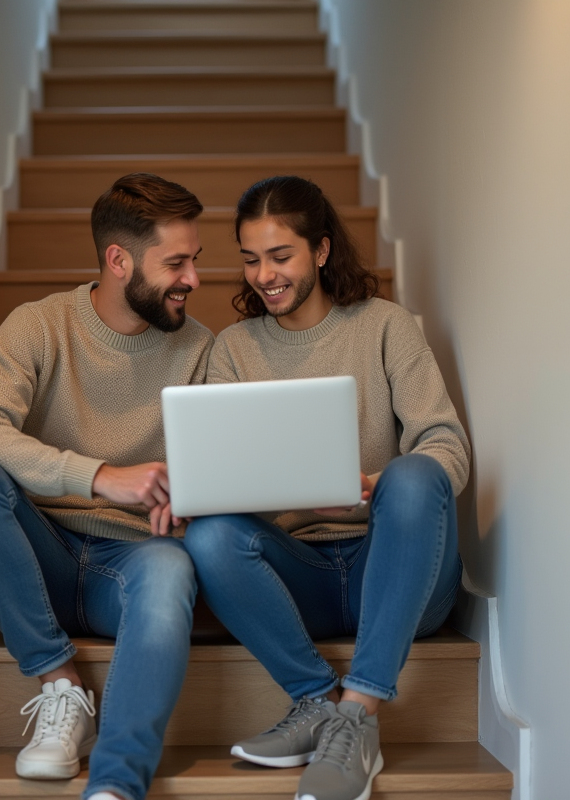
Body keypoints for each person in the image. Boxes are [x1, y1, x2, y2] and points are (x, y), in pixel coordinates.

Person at [182, 176, 470, 800]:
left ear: (320, 249)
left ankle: (357, 716)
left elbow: (448, 448)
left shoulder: (386, 326)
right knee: (208, 536)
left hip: (395, 572)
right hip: (299, 576)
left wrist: (372, 487)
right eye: (251, 259)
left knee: (416, 473)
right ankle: (315, 700)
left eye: (280, 256)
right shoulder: (233, 350)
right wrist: (298, 497)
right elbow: (219, 480)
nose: (265, 276)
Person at [0, 173, 213, 800]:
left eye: (195, 260)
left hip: (135, 566)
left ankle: (116, 784)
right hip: (37, 558)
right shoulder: (39, 325)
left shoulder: (201, 348)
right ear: (119, 260)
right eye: (176, 263)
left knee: (171, 567)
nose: (194, 279)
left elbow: (211, 470)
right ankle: (60, 684)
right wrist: (99, 477)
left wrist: (192, 501)